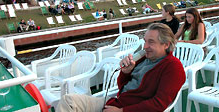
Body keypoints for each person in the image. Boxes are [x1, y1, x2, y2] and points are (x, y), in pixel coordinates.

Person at [56, 23, 186, 112]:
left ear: (166, 44)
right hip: (116, 102)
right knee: (68, 101)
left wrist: (122, 111)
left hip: (126, 108)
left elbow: (158, 104)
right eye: (145, 40)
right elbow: (122, 87)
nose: (145, 46)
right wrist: (126, 72)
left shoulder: (173, 67)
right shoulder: (143, 58)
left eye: (151, 42)